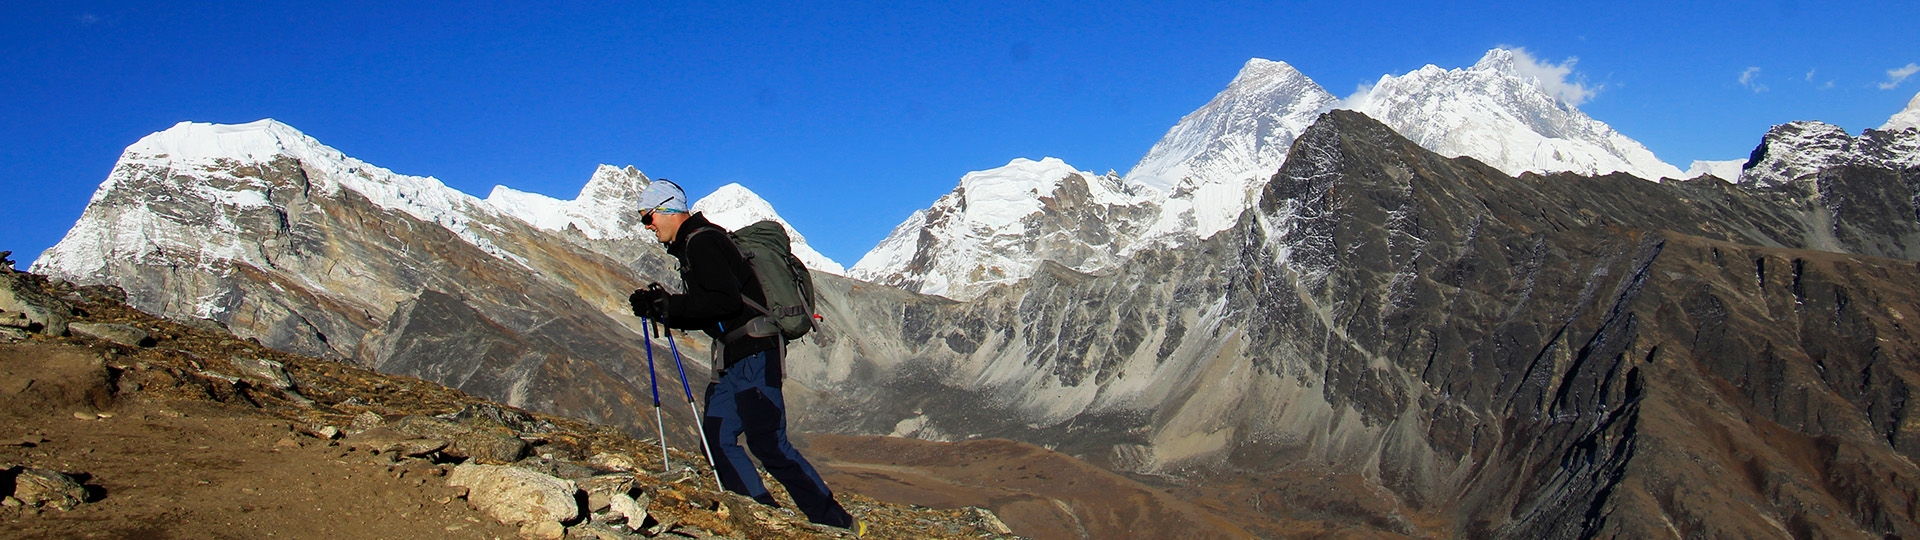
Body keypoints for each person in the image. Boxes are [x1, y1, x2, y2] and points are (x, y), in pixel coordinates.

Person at [626, 179, 860, 532]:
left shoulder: (703, 242)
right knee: (717, 440)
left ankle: (838, 523)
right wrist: (664, 308)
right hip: (733, 356)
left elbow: (723, 301)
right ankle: (763, 517)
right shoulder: (695, 244)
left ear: (668, 209)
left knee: (768, 443)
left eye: (648, 217)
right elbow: (715, 304)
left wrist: (668, 306)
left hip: (754, 352)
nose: (648, 227)